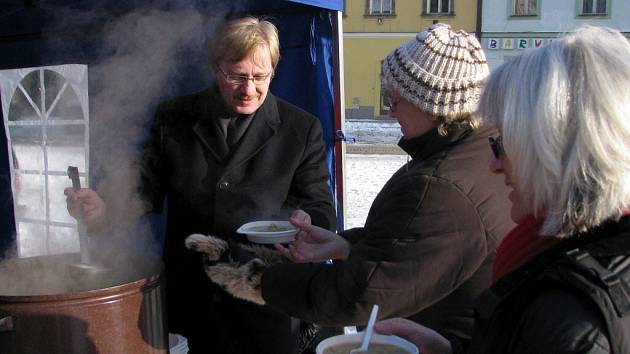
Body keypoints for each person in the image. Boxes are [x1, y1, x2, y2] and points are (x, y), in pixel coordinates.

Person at [191, 23, 514, 342]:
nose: (390, 111)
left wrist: (255, 278)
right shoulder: (479, 149)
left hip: (434, 338)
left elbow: (359, 292)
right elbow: (419, 245)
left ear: (432, 106)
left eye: (396, 99)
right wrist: (348, 246)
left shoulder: (444, 185)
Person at [65, 16, 336, 354]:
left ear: (273, 71)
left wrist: (309, 223)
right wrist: (102, 208)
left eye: (259, 77)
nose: (249, 89)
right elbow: (141, 190)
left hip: (266, 301)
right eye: (237, 75)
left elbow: (321, 207)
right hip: (193, 302)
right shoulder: (174, 118)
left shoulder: (300, 129)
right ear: (214, 68)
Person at [373, 25, 630, 354]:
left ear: (552, 152)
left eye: (504, 144)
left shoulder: (569, 318)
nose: (495, 165)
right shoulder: (570, 257)